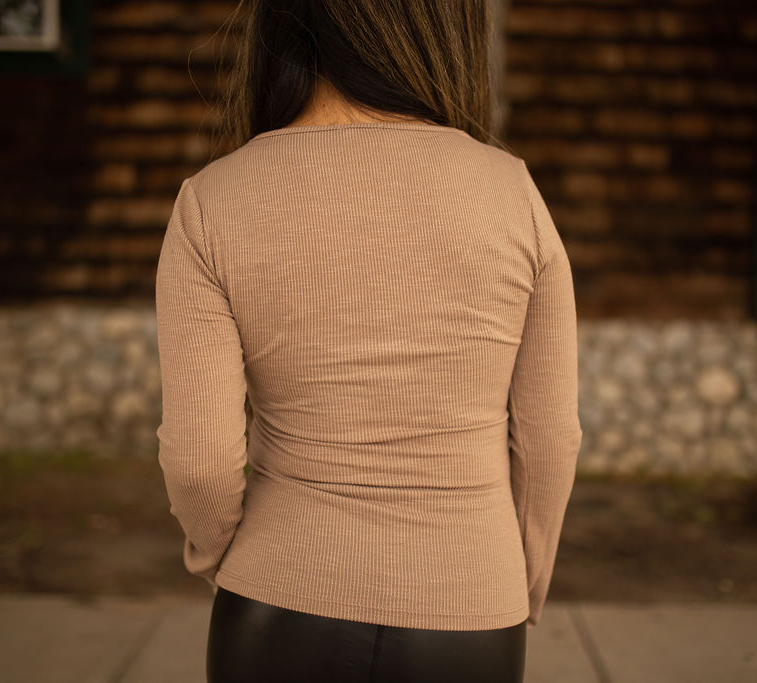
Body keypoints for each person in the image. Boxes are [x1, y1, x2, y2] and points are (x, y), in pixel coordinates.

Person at [153, 1, 583, 681]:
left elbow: (199, 463)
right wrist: (511, 581)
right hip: (472, 609)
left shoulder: (212, 200)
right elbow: (549, 441)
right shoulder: (514, 195)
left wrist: (225, 561)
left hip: (275, 602)